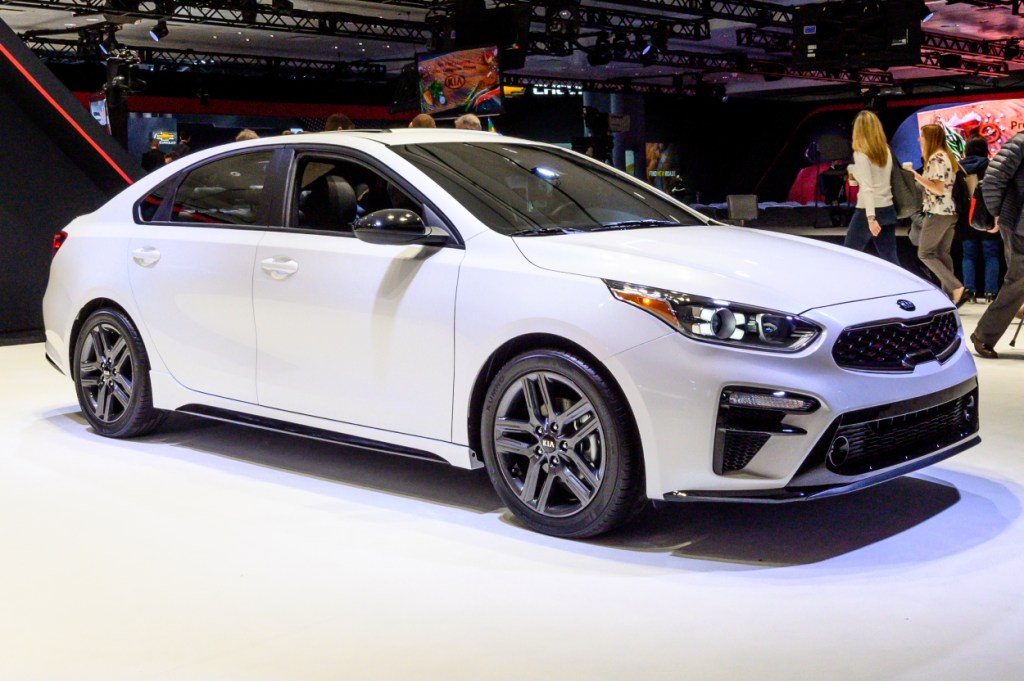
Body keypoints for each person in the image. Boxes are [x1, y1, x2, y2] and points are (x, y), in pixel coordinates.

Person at [971, 131, 1024, 359]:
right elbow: (993, 178)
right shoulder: (1021, 142)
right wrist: (995, 212)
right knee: (1018, 280)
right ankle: (984, 335)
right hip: (1018, 222)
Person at [912, 124, 967, 306]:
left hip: (938, 212)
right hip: (949, 211)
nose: (920, 139)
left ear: (930, 139)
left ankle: (956, 288)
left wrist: (916, 176)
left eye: (922, 136)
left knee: (925, 253)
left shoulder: (936, 158)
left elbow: (937, 188)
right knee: (942, 253)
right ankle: (949, 296)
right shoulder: (946, 156)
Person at [842, 110, 899, 266]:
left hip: (868, 212)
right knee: (890, 260)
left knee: (848, 254)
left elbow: (867, 188)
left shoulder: (861, 154)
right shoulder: (885, 150)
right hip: (887, 208)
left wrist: (871, 218)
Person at [958, 135, 1001, 304]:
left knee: (968, 255)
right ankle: (991, 293)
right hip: (988, 216)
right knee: (991, 255)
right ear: (986, 149)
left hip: (966, 218)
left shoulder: (959, 168)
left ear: (966, 149)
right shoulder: (992, 167)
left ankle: (970, 291)